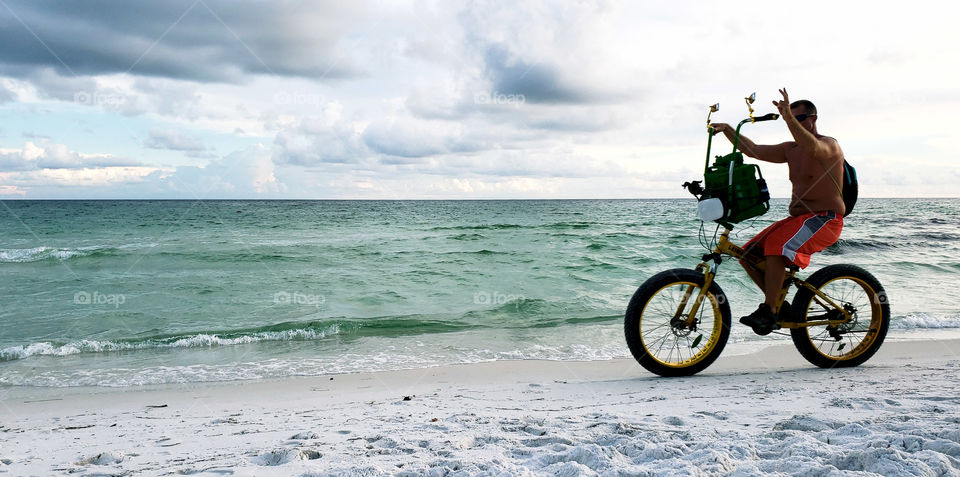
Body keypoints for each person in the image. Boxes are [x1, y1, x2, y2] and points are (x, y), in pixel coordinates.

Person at [710, 88, 845, 334]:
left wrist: (787, 118)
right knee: (747, 253)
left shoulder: (829, 145)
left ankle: (769, 310)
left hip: (826, 220)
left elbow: (813, 149)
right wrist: (728, 129)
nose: (792, 123)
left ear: (813, 119)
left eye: (799, 118)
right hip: (799, 219)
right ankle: (778, 305)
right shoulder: (790, 149)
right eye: (790, 119)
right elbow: (753, 150)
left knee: (776, 246)